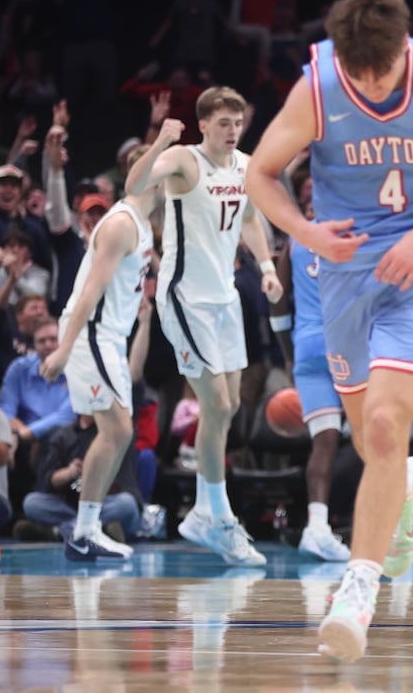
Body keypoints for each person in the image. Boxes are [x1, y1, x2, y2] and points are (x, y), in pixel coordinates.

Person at [245, 0, 413, 663]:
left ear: (403, 49)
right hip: (345, 274)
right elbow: (262, 173)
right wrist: (303, 230)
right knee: (371, 440)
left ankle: (356, 591)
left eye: (377, 70)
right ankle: (406, 496)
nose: (365, 80)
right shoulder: (318, 83)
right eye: (354, 69)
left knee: (386, 424)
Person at [126, 89, 281, 566]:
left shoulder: (246, 165)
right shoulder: (182, 160)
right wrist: (158, 142)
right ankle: (215, 513)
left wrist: (267, 265)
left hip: (224, 299)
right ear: (204, 124)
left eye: (238, 121)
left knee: (228, 407)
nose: (233, 130)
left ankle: (206, 514)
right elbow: (134, 187)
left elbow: (251, 219)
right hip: (185, 297)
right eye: (224, 122)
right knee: (214, 403)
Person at [33, 171, 158, 561]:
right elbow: (89, 291)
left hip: (112, 336)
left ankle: (87, 528)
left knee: (121, 432)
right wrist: (64, 349)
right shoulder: (120, 223)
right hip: (91, 333)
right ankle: (85, 529)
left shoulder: (144, 225)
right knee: (117, 428)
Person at [269, 202, 351, 562]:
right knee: (373, 441)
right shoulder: (353, 232)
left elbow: (277, 302)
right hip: (348, 345)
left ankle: (316, 527)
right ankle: (391, 530)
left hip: (307, 346)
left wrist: (288, 352)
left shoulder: (295, 239)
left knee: (324, 442)